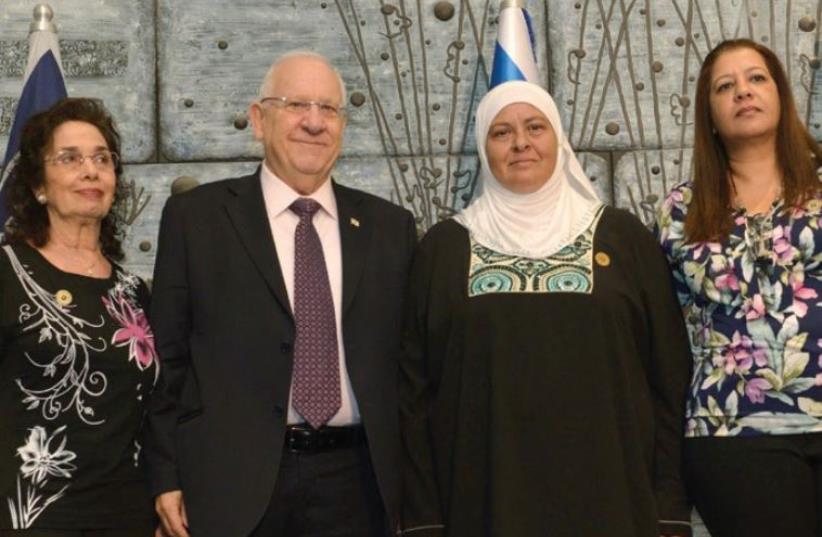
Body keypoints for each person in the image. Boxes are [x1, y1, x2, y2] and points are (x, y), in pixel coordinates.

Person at [398, 80, 692, 537]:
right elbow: (413, 393)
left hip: (615, 500)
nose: (521, 143)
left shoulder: (623, 237)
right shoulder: (443, 249)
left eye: (535, 127)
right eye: (501, 132)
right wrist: (422, 519)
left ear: (558, 138)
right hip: (483, 504)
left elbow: (669, 376)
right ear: (483, 146)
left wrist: (669, 505)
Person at [145, 51, 417, 537]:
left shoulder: (390, 228)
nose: (314, 122)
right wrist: (164, 475)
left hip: (361, 487)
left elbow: (409, 367)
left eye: (329, 109)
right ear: (258, 119)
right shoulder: (197, 219)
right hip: (232, 483)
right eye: (296, 105)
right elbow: (167, 359)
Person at [656, 38, 822, 537]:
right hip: (733, 431)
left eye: (756, 79)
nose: (742, 92)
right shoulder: (681, 209)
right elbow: (668, 329)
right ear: (709, 115)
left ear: (780, 94)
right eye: (724, 87)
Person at [0, 97, 158, 535]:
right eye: (69, 159)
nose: (90, 170)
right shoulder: (7, 273)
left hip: (129, 515)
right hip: (31, 515)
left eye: (101, 159)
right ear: (39, 186)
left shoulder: (133, 291)